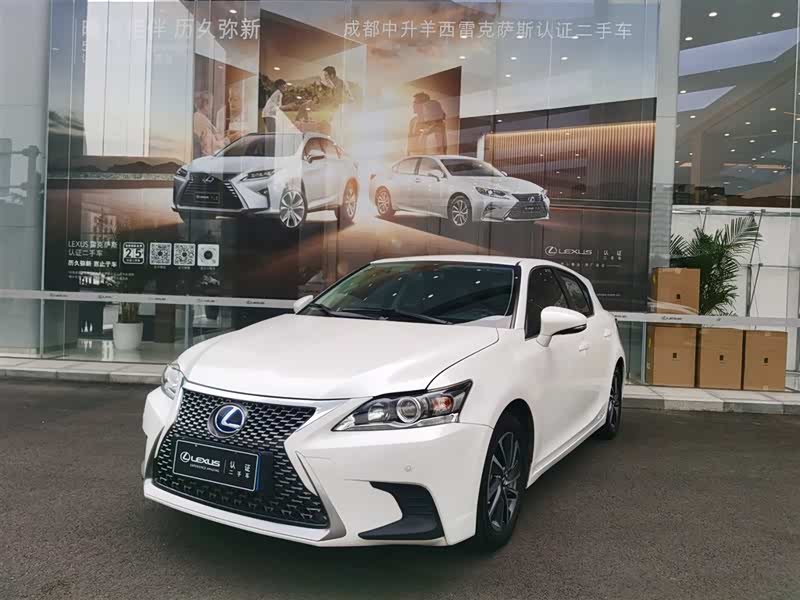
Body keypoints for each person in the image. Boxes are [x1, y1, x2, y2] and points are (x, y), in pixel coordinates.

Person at [192, 91, 224, 156]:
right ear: (206, 105)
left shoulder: (202, 119)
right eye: (212, 104)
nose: (212, 107)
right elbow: (207, 144)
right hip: (207, 157)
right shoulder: (199, 119)